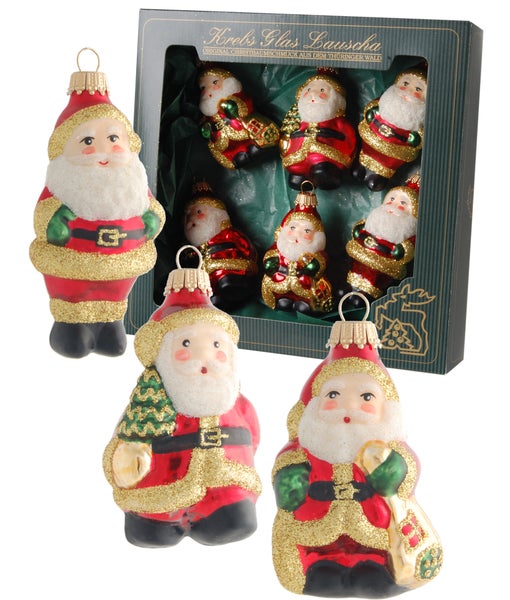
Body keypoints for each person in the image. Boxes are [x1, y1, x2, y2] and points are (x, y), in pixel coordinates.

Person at [272, 301, 442, 597]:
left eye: (366, 397)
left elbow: (403, 476)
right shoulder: (305, 451)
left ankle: (375, 573)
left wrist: (386, 469)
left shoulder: (389, 451)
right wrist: (291, 480)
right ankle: (319, 572)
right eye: (333, 395)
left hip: (377, 540)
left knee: (372, 579)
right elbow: (286, 486)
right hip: (315, 536)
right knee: (322, 576)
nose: (348, 407)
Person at [103, 251, 262, 547]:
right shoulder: (147, 405)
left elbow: (252, 438)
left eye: (216, 344)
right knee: (151, 531)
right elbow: (124, 442)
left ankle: (227, 511)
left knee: (235, 521)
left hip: (228, 489)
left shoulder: (238, 405)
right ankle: (154, 523)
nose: (205, 356)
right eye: (186, 343)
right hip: (159, 493)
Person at [29, 49, 165, 358]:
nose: (104, 150)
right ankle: (70, 328)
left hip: (123, 266)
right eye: (88, 141)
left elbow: (151, 206)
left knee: (115, 303)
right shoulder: (63, 180)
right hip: (72, 265)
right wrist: (54, 223)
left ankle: (109, 325)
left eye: (113, 139)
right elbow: (44, 213)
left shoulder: (132, 178)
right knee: (74, 296)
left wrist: (152, 218)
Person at [182, 180, 258, 310]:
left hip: (230, 268)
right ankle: (214, 299)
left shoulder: (228, 234)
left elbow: (245, 245)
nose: (191, 219)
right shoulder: (196, 247)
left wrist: (249, 258)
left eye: (198, 212)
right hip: (207, 274)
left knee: (228, 283)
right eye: (188, 216)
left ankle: (234, 288)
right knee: (210, 290)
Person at [345, 175, 420, 302]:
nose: (393, 205)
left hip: (383, 264)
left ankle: (367, 295)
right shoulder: (377, 216)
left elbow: (406, 250)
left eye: (403, 203)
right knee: (355, 270)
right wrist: (359, 232)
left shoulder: (407, 227)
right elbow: (360, 228)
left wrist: (398, 251)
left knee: (373, 280)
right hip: (361, 253)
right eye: (392, 199)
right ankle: (350, 287)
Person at [279, 69, 357, 190]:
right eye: (308, 90)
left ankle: (326, 176)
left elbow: (350, 138)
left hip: (325, 157)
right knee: (295, 173)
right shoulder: (299, 120)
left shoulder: (338, 122)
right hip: (298, 156)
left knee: (322, 170)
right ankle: (300, 176)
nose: (313, 94)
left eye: (322, 90)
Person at [353, 65, 427, 191]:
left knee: (375, 182)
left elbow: (417, 139)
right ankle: (361, 166)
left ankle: (379, 177)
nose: (407, 91)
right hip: (369, 142)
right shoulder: (385, 102)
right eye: (406, 83)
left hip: (392, 155)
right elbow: (370, 110)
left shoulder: (416, 120)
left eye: (418, 89)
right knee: (357, 172)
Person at [261, 184, 333, 315]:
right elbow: (269, 258)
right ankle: (283, 300)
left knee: (305, 306)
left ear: (317, 236)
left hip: (305, 286)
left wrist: (311, 265)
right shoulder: (280, 247)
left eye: (306, 230)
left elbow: (320, 264)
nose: (297, 234)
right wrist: (271, 263)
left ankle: (304, 304)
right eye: (293, 228)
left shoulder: (316, 252)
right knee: (283, 303)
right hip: (280, 283)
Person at [198, 64, 279, 169]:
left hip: (243, 130)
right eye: (203, 87)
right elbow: (205, 129)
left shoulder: (234, 98)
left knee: (255, 127)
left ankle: (256, 147)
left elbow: (244, 108)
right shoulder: (208, 113)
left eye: (214, 82)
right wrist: (206, 129)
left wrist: (230, 107)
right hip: (223, 142)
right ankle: (238, 158)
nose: (208, 90)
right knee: (224, 152)